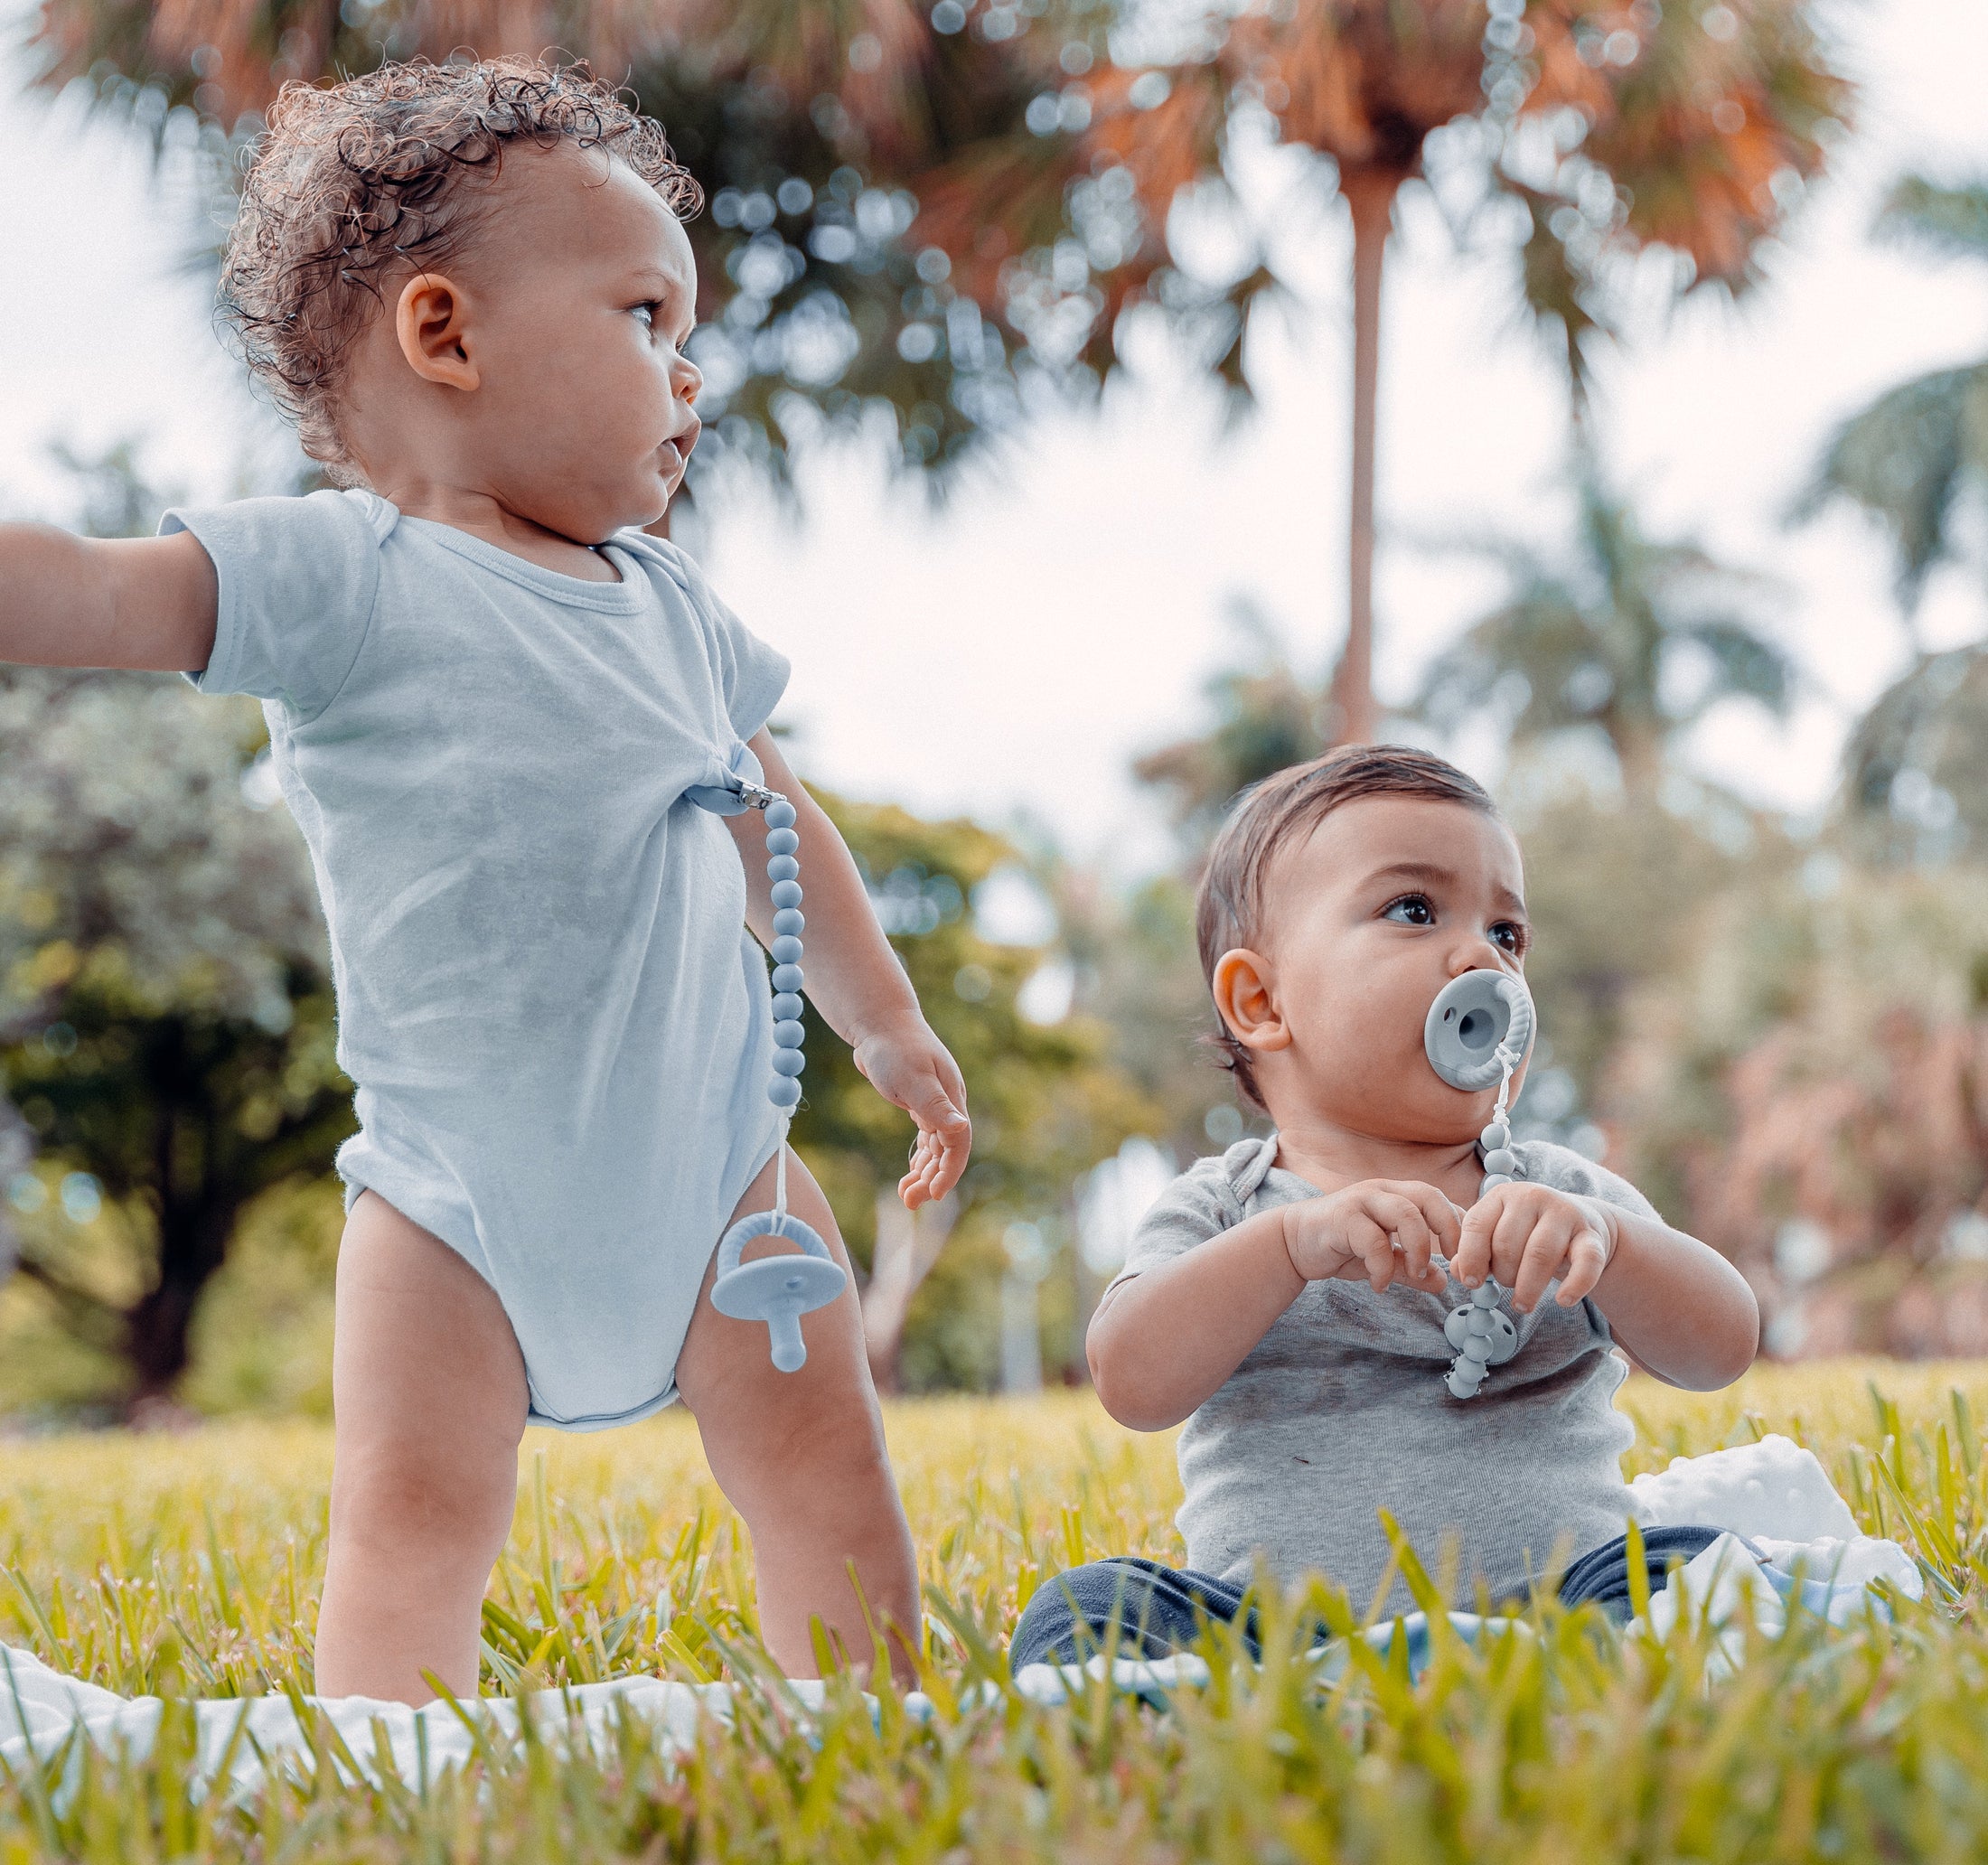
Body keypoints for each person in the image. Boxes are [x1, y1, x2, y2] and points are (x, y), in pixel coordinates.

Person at [0, 58, 973, 1703]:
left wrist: (881, 1017)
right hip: (455, 1205)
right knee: (411, 1515)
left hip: (719, 1173)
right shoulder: (346, 578)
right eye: (646, 319)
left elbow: (775, 821)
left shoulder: (674, 610)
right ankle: (394, 1759)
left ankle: (873, 1720)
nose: (690, 371)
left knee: (825, 1469)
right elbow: (97, 594)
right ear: (445, 335)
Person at [1011, 746, 1758, 1671]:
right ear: (1261, 1000)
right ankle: (1173, 1725)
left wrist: (1613, 1245)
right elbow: (1128, 1379)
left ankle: (1605, 1691)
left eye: (1507, 933)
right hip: (1275, 1635)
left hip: (1563, 1606)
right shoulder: (1226, 1207)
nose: (1480, 955)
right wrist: (1283, 1248)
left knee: (1707, 1572)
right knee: (1087, 1609)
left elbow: (1721, 1346)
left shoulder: (1559, 1195)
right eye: (1413, 909)